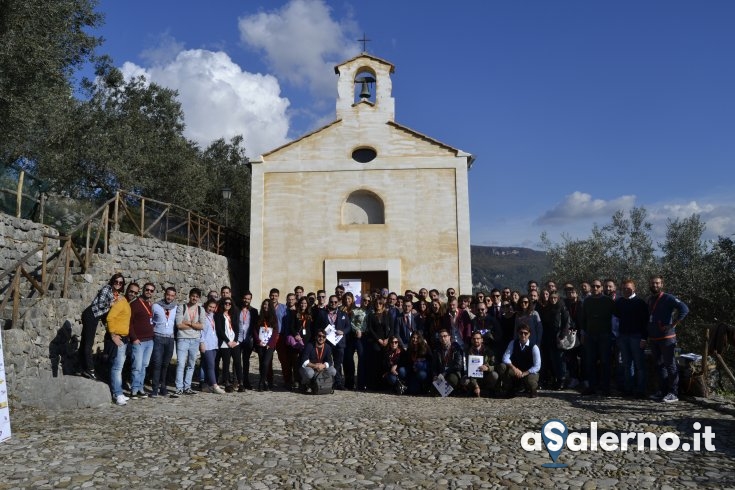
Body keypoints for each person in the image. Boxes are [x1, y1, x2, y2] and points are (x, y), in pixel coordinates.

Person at [647, 275, 689, 403]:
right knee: (659, 365)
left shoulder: (668, 297)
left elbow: (684, 309)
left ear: (662, 284)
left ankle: (673, 393)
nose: (655, 285)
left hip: (667, 338)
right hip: (654, 337)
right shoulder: (650, 299)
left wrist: (673, 324)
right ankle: (663, 391)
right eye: (653, 283)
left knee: (670, 365)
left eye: (657, 283)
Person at [79, 273, 126, 379]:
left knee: (85, 342)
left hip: (95, 317)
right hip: (91, 314)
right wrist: (111, 304)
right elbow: (100, 305)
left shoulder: (116, 294)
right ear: (112, 281)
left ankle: (83, 368)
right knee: (88, 343)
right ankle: (90, 369)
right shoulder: (107, 289)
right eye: (116, 281)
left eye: (120, 283)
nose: (118, 284)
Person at [581, 280, 616, 396]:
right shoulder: (587, 301)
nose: (595, 288)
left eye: (597, 286)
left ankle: (605, 388)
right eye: (593, 286)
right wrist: (583, 334)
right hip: (590, 335)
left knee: (605, 362)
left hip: (605, 336)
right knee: (590, 362)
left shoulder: (608, 301)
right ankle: (592, 387)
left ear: (601, 288)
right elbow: (584, 319)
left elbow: (615, 317)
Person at [615, 279, 649, 398]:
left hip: (637, 337)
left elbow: (646, 322)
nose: (626, 290)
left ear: (634, 288)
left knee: (639, 365)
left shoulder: (640, 303)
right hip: (623, 337)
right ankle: (628, 389)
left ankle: (640, 390)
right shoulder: (619, 302)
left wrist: (644, 338)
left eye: (628, 288)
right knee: (627, 364)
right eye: (624, 288)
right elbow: (617, 318)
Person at [106, 283, 138, 405]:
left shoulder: (125, 303)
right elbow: (110, 317)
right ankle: (117, 393)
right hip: (118, 338)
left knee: (119, 367)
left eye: (135, 293)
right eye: (131, 291)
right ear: (127, 290)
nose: (133, 294)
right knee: (117, 368)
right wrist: (113, 335)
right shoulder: (121, 302)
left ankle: (118, 392)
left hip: (124, 339)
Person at [172, 288, 205, 397]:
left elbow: (201, 326)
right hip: (183, 339)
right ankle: (179, 388)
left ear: (199, 298)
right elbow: (179, 325)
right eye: (193, 296)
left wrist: (189, 323)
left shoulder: (201, 310)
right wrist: (194, 324)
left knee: (191, 364)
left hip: (195, 340)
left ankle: (187, 387)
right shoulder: (182, 307)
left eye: (197, 296)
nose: (194, 298)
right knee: (181, 364)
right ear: (189, 296)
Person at [316, 294, 351, 390]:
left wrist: (343, 332)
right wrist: (322, 333)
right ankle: (327, 382)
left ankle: (338, 383)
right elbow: (317, 326)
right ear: (329, 302)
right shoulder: (322, 313)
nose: (333, 303)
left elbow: (349, 327)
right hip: (326, 342)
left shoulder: (343, 314)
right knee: (327, 363)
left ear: (338, 303)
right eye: (331, 302)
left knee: (338, 364)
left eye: (335, 302)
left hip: (339, 343)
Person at [150, 287, 179, 398]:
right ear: (164, 294)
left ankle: (163, 387)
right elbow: (151, 320)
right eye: (168, 295)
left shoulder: (176, 308)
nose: (169, 297)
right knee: (157, 363)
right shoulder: (156, 306)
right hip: (158, 337)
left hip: (170, 339)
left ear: (175, 296)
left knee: (166, 365)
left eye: (172, 295)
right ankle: (154, 389)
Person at [128, 282, 155, 399]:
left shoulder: (149, 304)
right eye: (147, 289)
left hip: (149, 341)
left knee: (144, 366)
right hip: (139, 341)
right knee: (137, 366)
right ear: (143, 290)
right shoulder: (135, 304)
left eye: (151, 290)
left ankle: (140, 388)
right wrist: (134, 338)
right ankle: (134, 390)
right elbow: (129, 323)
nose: (149, 292)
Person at [499, 324, 541, 398]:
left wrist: (525, 373)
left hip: (529, 372)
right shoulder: (513, 343)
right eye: (521, 333)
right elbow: (505, 358)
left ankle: (532, 389)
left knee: (530, 381)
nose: (523, 335)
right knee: (502, 366)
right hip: (516, 370)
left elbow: (537, 366)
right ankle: (509, 388)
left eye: (525, 333)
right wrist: (514, 368)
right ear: (518, 333)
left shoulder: (534, 347)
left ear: (529, 334)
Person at [285, 297, 315, 390]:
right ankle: (297, 380)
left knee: (305, 362)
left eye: (305, 303)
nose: (303, 305)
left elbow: (312, 328)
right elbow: (291, 327)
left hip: (308, 341)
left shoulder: (310, 314)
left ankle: (306, 381)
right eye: (302, 303)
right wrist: (295, 335)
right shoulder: (295, 314)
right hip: (297, 341)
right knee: (296, 362)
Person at [365, 295, 392, 389]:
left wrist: (387, 339)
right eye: (376, 303)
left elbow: (392, 328)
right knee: (376, 362)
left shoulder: (387, 314)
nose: (378, 305)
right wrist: (379, 340)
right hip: (376, 341)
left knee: (385, 362)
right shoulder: (371, 315)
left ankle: (385, 384)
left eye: (380, 303)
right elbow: (370, 329)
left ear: (383, 304)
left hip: (386, 341)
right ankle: (375, 384)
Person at [215, 298, 241, 393]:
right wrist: (227, 341)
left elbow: (237, 328)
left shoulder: (232, 315)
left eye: (229, 304)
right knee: (226, 363)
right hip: (225, 343)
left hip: (234, 342)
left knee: (238, 362)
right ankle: (226, 382)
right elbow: (220, 330)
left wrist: (235, 340)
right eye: (226, 303)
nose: (227, 305)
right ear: (222, 304)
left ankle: (240, 383)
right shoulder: (218, 315)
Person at [199, 299, 226, 394]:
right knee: (211, 365)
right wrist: (201, 343)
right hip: (206, 344)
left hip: (214, 344)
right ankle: (215, 385)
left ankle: (206, 385)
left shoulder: (213, 316)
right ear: (206, 305)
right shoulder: (202, 316)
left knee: (207, 365)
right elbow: (200, 331)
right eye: (210, 306)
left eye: (214, 307)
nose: (211, 309)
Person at [342, 292, 366, 391]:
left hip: (357, 337)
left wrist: (360, 331)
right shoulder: (341, 310)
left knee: (361, 359)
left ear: (352, 299)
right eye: (346, 299)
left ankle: (361, 383)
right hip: (346, 338)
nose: (347, 300)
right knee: (348, 361)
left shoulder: (357, 309)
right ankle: (349, 383)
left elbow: (361, 322)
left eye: (349, 299)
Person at [461, 331, 498, 397]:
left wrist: (488, 368)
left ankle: (486, 390)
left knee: (494, 375)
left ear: (482, 340)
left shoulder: (489, 351)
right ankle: (475, 390)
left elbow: (495, 366)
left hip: (485, 376)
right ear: (471, 340)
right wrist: (476, 385)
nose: (476, 340)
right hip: (472, 377)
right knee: (464, 380)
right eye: (474, 339)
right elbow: (468, 371)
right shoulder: (468, 352)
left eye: (478, 338)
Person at [255, 299, 279, 391]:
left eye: (268, 305)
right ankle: (264, 382)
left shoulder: (274, 317)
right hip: (260, 344)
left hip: (270, 345)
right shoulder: (259, 317)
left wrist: (270, 343)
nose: (266, 306)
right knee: (262, 363)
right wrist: (258, 341)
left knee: (266, 363)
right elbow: (255, 330)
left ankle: (262, 381)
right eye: (264, 304)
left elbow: (275, 331)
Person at [237, 291, 258, 390]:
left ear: (251, 300)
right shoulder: (237, 309)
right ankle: (237, 381)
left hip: (248, 339)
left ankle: (246, 380)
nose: (246, 300)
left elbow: (255, 326)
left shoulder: (254, 311)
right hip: (238, 339)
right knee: (237, 361)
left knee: (246, 361)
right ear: (242, 298)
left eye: (248, 299)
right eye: (245, 298)